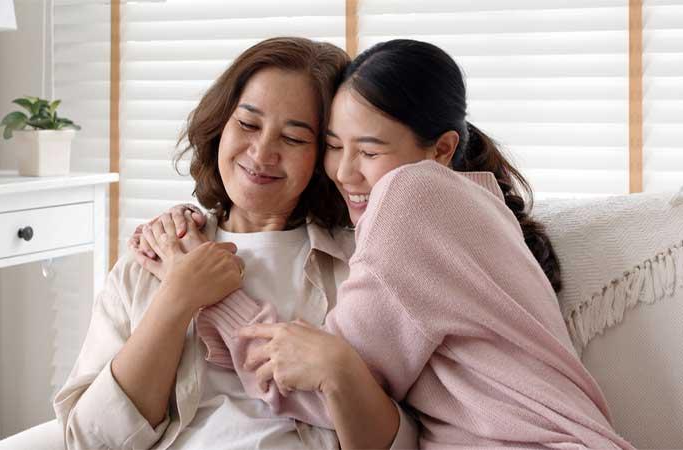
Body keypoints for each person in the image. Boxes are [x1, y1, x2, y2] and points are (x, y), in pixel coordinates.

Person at [136, 40, 635, 449]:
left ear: (441, 149)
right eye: (333, 146)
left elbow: (319, 387)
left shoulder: (410, 196)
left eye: (369, 151)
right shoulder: (472, 202)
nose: (345, 172)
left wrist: (199, 286)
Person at [53, 37, 418, 450]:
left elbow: (406, 440)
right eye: (247, 124)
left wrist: (339, 370)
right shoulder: (154, 254)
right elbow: (89, 441)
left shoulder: (364, 267)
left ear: (324, 155)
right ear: (220, 124)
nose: (261, 153)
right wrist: (177, 298)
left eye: (294, 138)